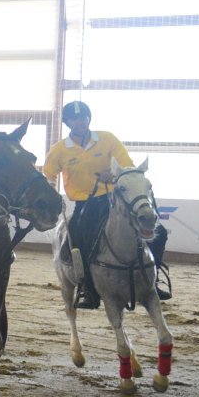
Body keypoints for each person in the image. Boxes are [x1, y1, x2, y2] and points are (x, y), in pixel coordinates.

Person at [42, 100, 168, 308]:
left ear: (89, 119)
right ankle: (88, 289)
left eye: (83, 117)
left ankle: (153, 280)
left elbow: (127, 165)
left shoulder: (107, 139)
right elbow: (48, 176)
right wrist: (50, 197)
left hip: (114, 200)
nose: (80, 122)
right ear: (67, 122)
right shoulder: (59, 150)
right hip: (85, 204)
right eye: (75, 119)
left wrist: (115, 174)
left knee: (159, 233)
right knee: (78, 238)